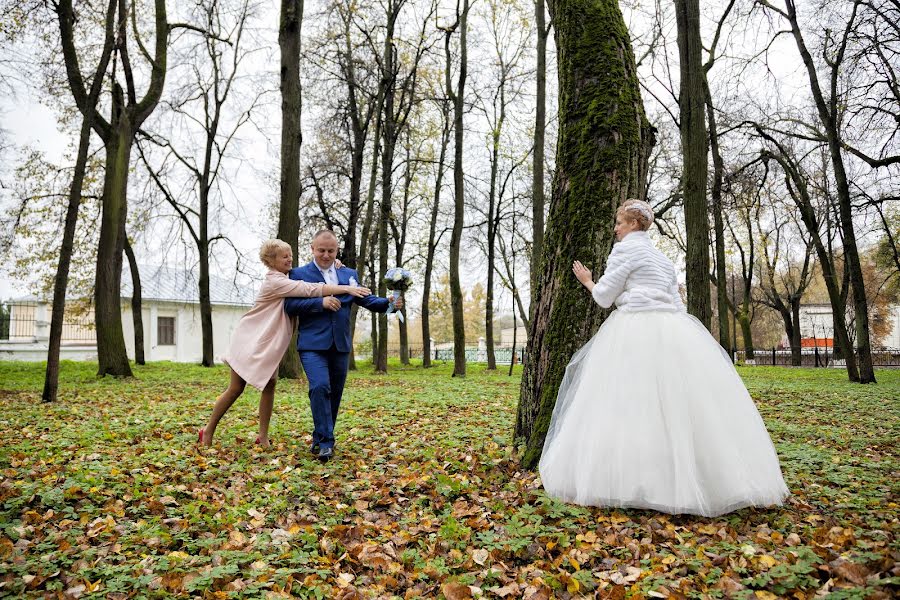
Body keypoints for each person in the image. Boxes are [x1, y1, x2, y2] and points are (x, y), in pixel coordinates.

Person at [538, 199, 788, 517]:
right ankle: (686, 481)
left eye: (619, 222)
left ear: (633, 224)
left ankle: (628, 479)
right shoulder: (662, 259)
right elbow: (675, 302)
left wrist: (588, 280)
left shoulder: (627, 251)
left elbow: (604, 297)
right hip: (672, 329)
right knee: (674, 405)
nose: (615, 228)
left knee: (625, 403)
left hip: (632, 329)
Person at [199, 239, 371, 448]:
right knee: (236, 388)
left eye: (291, 255)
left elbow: (314, 275)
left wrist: (335, 265)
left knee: (270, 385)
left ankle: (262, 437)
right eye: (285, 256)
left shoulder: (286, 277)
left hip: (268, 343)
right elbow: (309, 288)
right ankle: (207, 431)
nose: (290, 259)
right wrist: (347, 288)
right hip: (250, 339)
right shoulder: (275, 281)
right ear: (271, 261)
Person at [284, 230, 403, 462]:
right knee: (319, 387)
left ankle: (321, 437)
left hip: (340, 345)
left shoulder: (348, 273)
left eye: (331, 251)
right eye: (322, 250)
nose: (326, 255)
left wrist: (390, 304)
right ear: (312, 248)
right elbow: (290, 306)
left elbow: (365, 299)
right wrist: (321, 302)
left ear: (337, 250)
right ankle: (327, 443)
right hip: (312, 344)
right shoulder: (298, 273)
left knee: (335, 394)